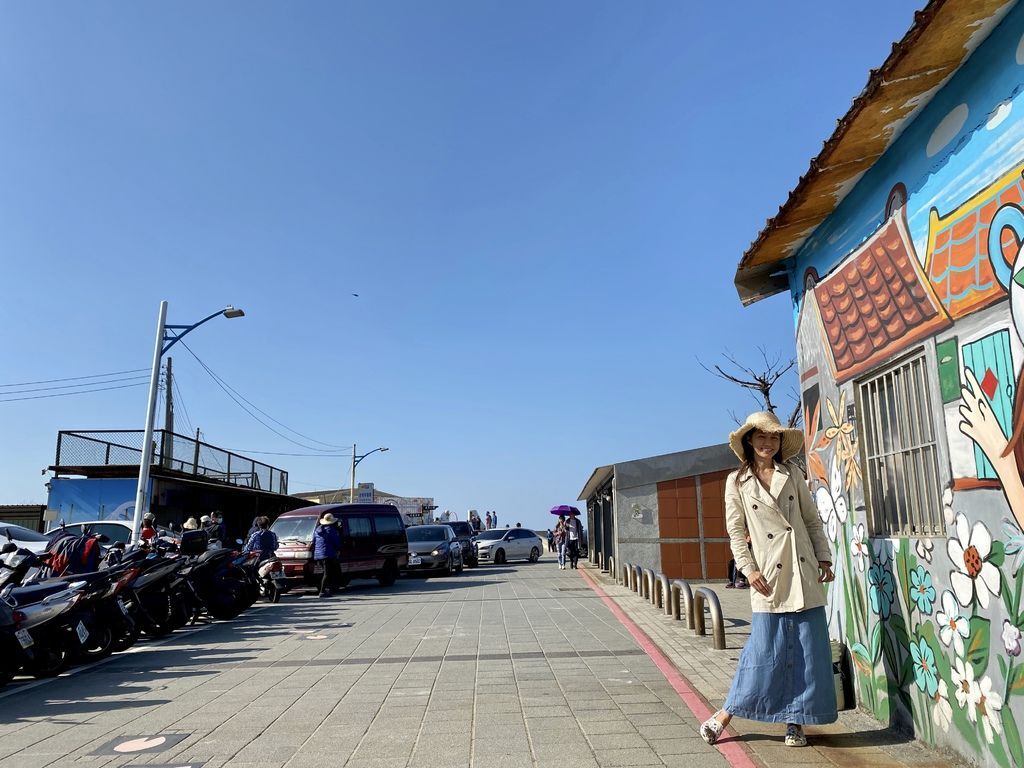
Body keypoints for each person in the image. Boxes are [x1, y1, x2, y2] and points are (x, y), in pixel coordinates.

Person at [700, 411, 836, 750]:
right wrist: (748, 569)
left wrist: (823, 557)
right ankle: (726, 713)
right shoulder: (736, 481)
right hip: (767, 574)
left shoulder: (792, 473)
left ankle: (795, 723)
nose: (768, 442)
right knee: (762, 652)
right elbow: (735, 530)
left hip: (801, 569)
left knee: (806, 653)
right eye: (761, 436)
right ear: (749, 440)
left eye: (774, 437)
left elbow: (811, 520)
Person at [313, 512, 342, 597]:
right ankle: (322, 591)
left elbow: (314, 541)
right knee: (327, 573)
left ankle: (326, 590)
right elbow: (336, 542)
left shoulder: (317, 530)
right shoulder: (331, 530)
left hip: (318, 555)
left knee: (326, 573)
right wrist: (339, 548)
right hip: (328, 554)